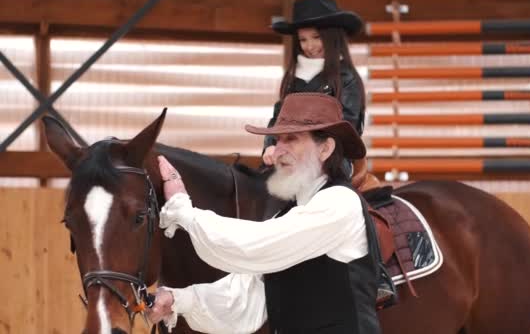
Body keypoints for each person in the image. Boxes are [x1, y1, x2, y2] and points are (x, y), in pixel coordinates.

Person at [147, 93, 382, 333]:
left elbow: (252, 246)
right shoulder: (287, 216)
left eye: (291, 139)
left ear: (325, 149)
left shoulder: (340, 203)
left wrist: (184, 211)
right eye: (278, 140)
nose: (278, 150)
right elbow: (244, 298)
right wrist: (177, 299)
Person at [262, 0, 366, 179]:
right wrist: (270, 145)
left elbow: (348, 126)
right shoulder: (293, 79)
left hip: (332, 157)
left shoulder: (346, 78)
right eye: (302, 40)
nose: (309, 46)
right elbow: (278, 120)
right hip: (290, 153)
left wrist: (311, 148)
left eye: (316, 37)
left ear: (332, 37)